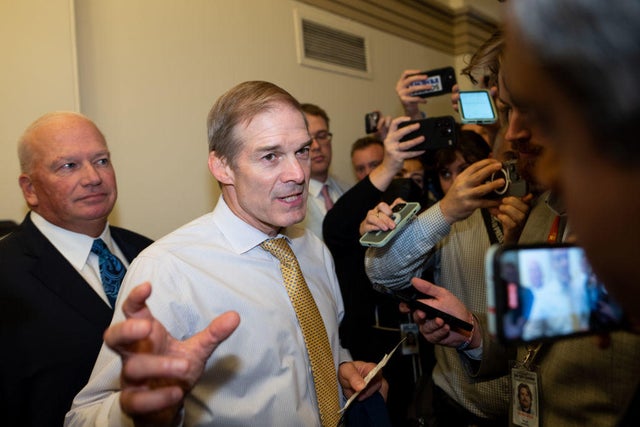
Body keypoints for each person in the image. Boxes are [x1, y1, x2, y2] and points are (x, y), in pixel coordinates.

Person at [66, 81, 386, 427]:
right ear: (221, 167)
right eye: (270, 156)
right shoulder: (168, 271)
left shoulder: (313, 249)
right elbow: (83, 417)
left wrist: (341, 368)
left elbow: (323, 345)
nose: (297, 174)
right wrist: (141, 413)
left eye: (302, 151)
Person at [0, 112, 153, 427]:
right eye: (68, 165)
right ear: (29, 189)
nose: (93, 178)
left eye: (101, 161)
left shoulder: (153, 253)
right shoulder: (6, 272)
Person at [323, 117, 427, 426]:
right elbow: (337, 228)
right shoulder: (351, 215)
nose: (369, 174)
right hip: (367, 339)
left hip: (413, 332)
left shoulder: (401, 203)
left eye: (375, 165)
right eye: (361, 168)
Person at [298, 103, 349, 240]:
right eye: (308, 140)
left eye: (322, 136)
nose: (316, 146)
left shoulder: (348, 190)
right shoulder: (291, 200)